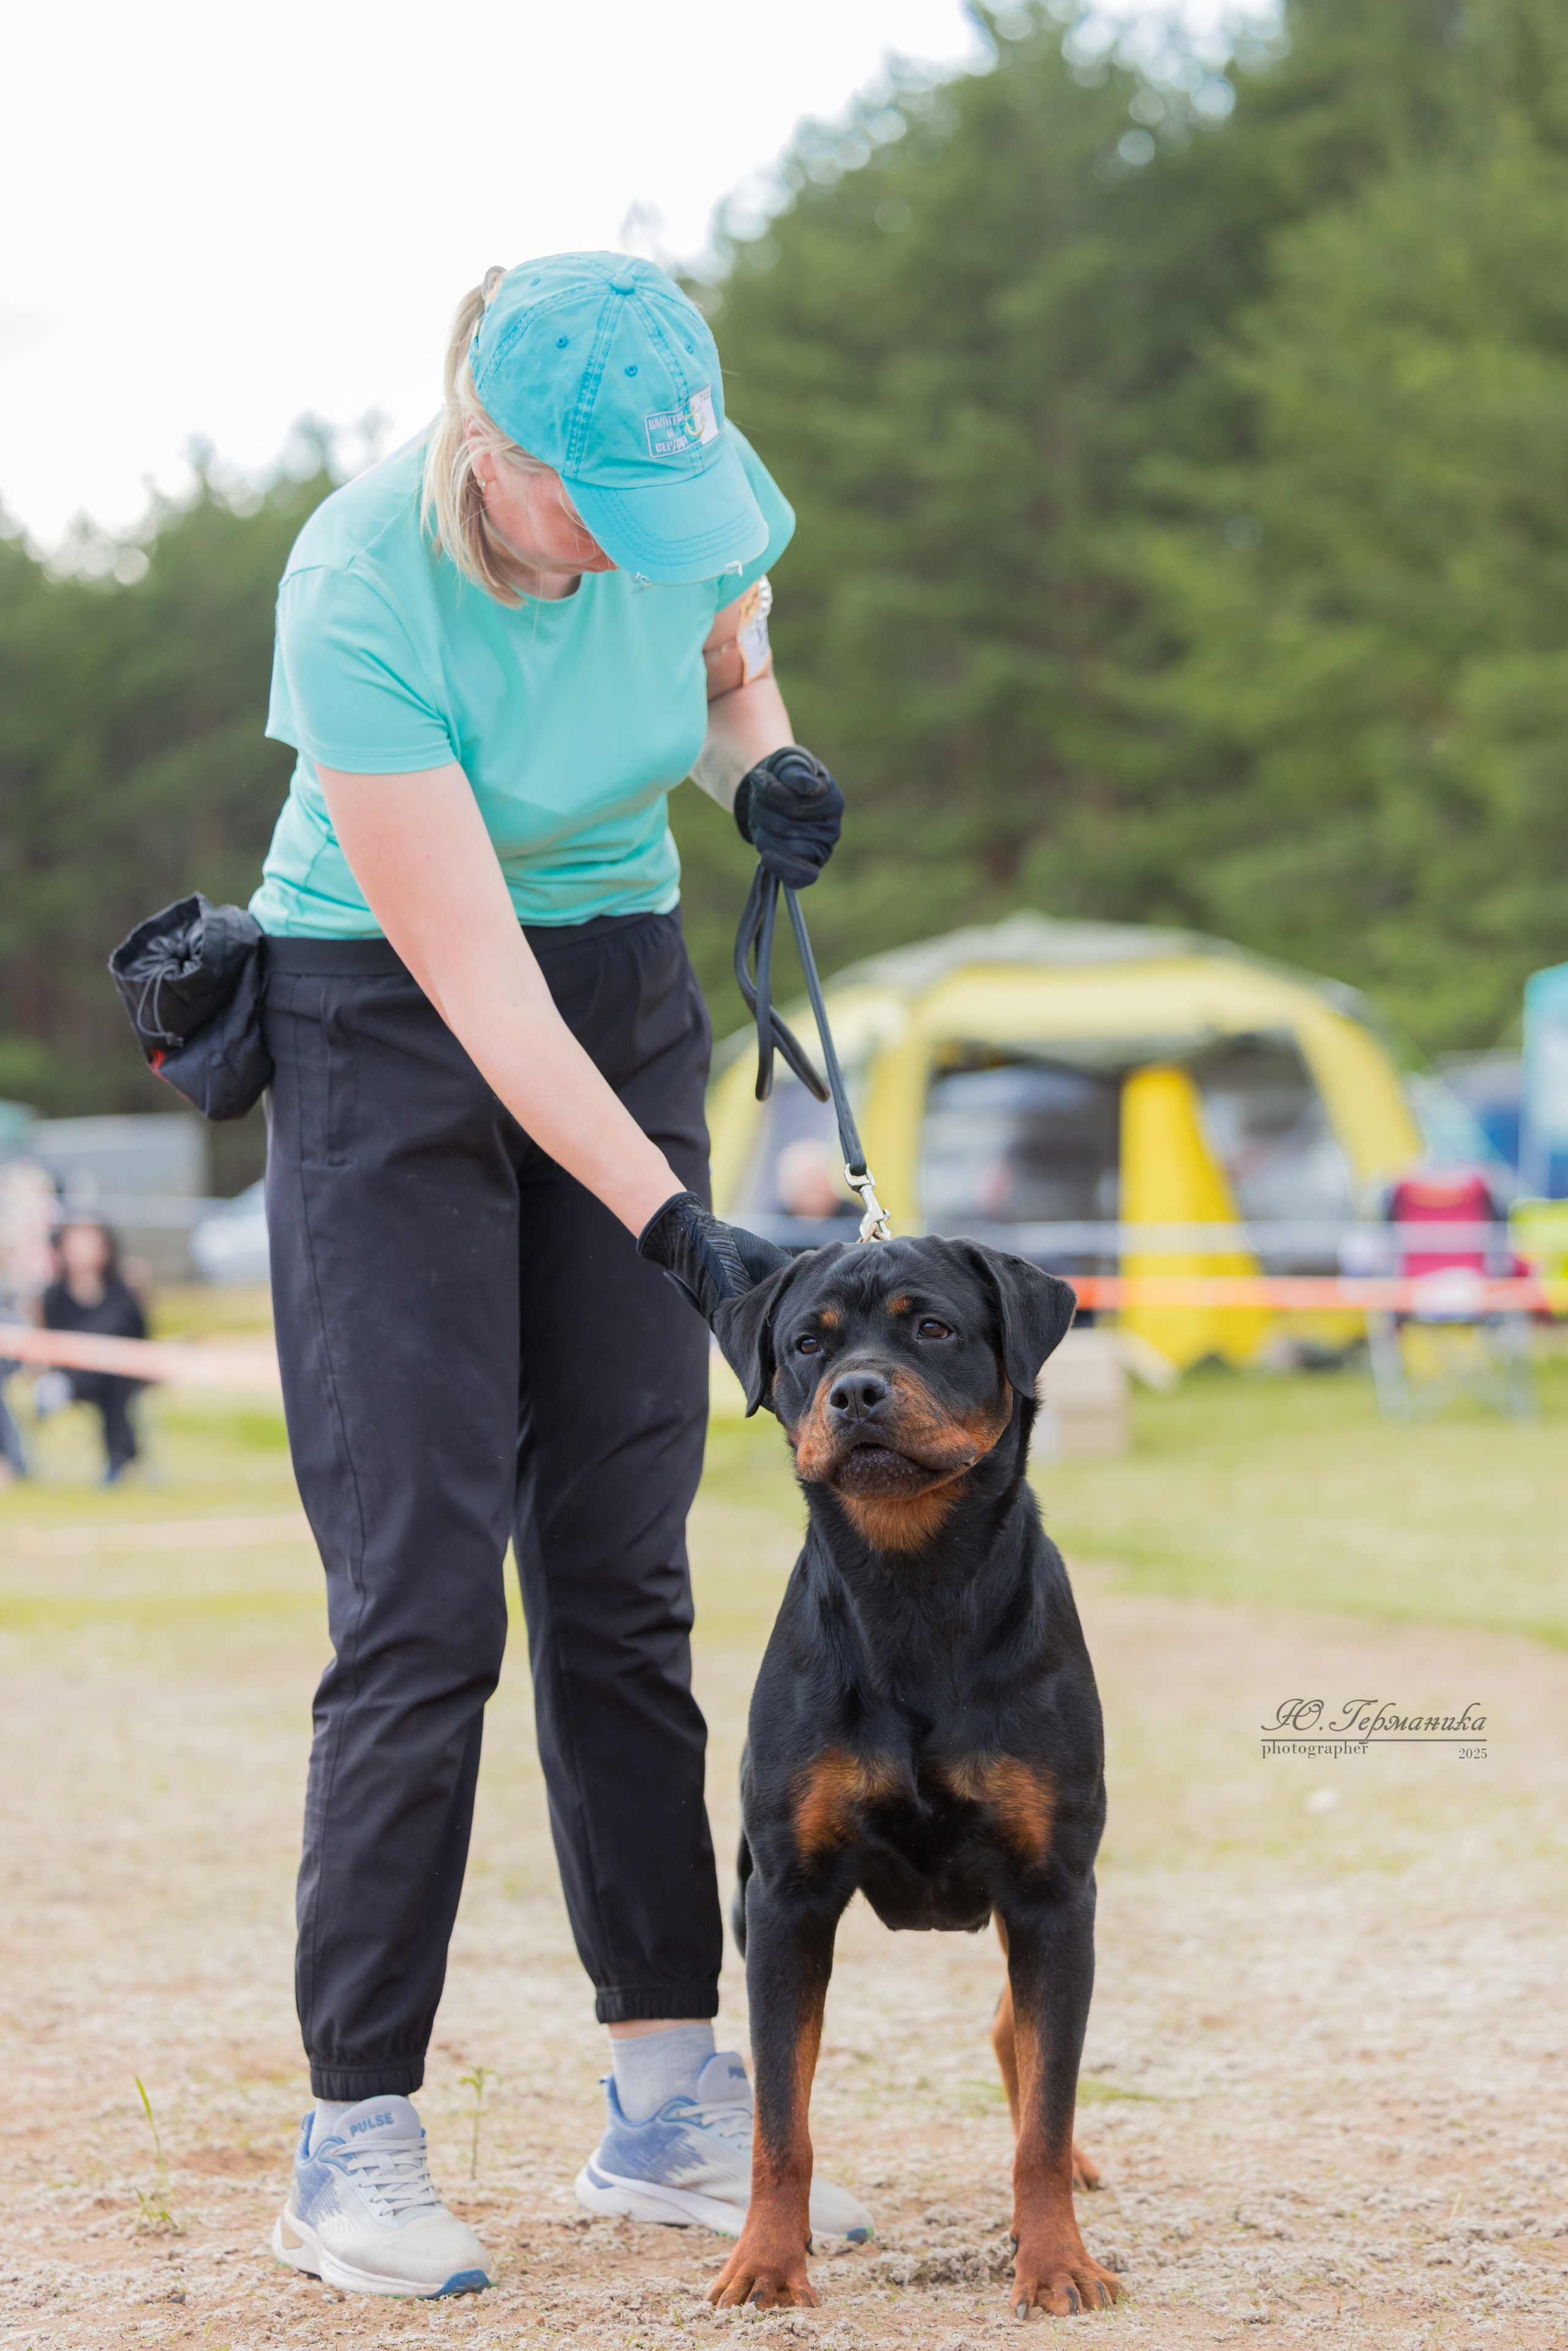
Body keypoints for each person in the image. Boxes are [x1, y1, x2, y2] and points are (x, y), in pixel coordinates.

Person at [251, 253, 868, 2302]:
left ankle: (669, 2094)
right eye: (591, 499)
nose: (631, 540)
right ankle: (357, 2133)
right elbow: (478, 997)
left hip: (620, 973)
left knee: (623, 1565)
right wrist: (681, 1223)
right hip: (387, 1013)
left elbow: (723, 670)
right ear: (489, 456)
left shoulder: (692, 492)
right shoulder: (358, 591)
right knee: (421, 1587)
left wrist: (757, 760)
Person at [38, 1219, 147, 1482]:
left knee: (114, 1375)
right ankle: (123, 1452)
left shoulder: (121, 1290)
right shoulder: (55, 1296)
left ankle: (118, 1456)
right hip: (76, 1377)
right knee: (105, 1372)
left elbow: (139, 1335)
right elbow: (54, 1345)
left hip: (121, 1376)